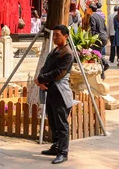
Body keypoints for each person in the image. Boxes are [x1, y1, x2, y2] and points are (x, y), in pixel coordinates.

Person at [35, 25, 74, 165]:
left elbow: (58, 73)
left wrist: (41, 79)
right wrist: (40, 78)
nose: (55, 37)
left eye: (58, 35)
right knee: (52, 120)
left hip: (60, 92)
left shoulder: (67, 53)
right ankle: (56, 146)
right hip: (50, 90)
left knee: (61, 123)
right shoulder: (54, 51)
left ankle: (63, 152)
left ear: (65, 36)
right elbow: (45, 67)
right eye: (54, 35)